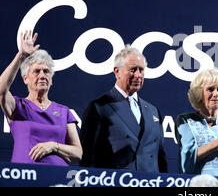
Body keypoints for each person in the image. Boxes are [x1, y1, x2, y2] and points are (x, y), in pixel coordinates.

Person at [80, 45, 168, 173]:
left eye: (141, 70)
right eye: (133, 70)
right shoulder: (99, 107)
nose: (138, 75)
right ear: (117, 72)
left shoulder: (153, 111)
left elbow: (160, 159)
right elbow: (88, 159)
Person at [0, 30, 82, 166]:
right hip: (25, 178)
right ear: (25, 79)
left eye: (46, 71)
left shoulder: (63, 111)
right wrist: (21, 56)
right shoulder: (18, 106)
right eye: (36, 71)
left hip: (59, 179)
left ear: (51, 80)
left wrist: (53, 146)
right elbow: (1, 91)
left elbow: (78, 152)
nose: (42, 75)